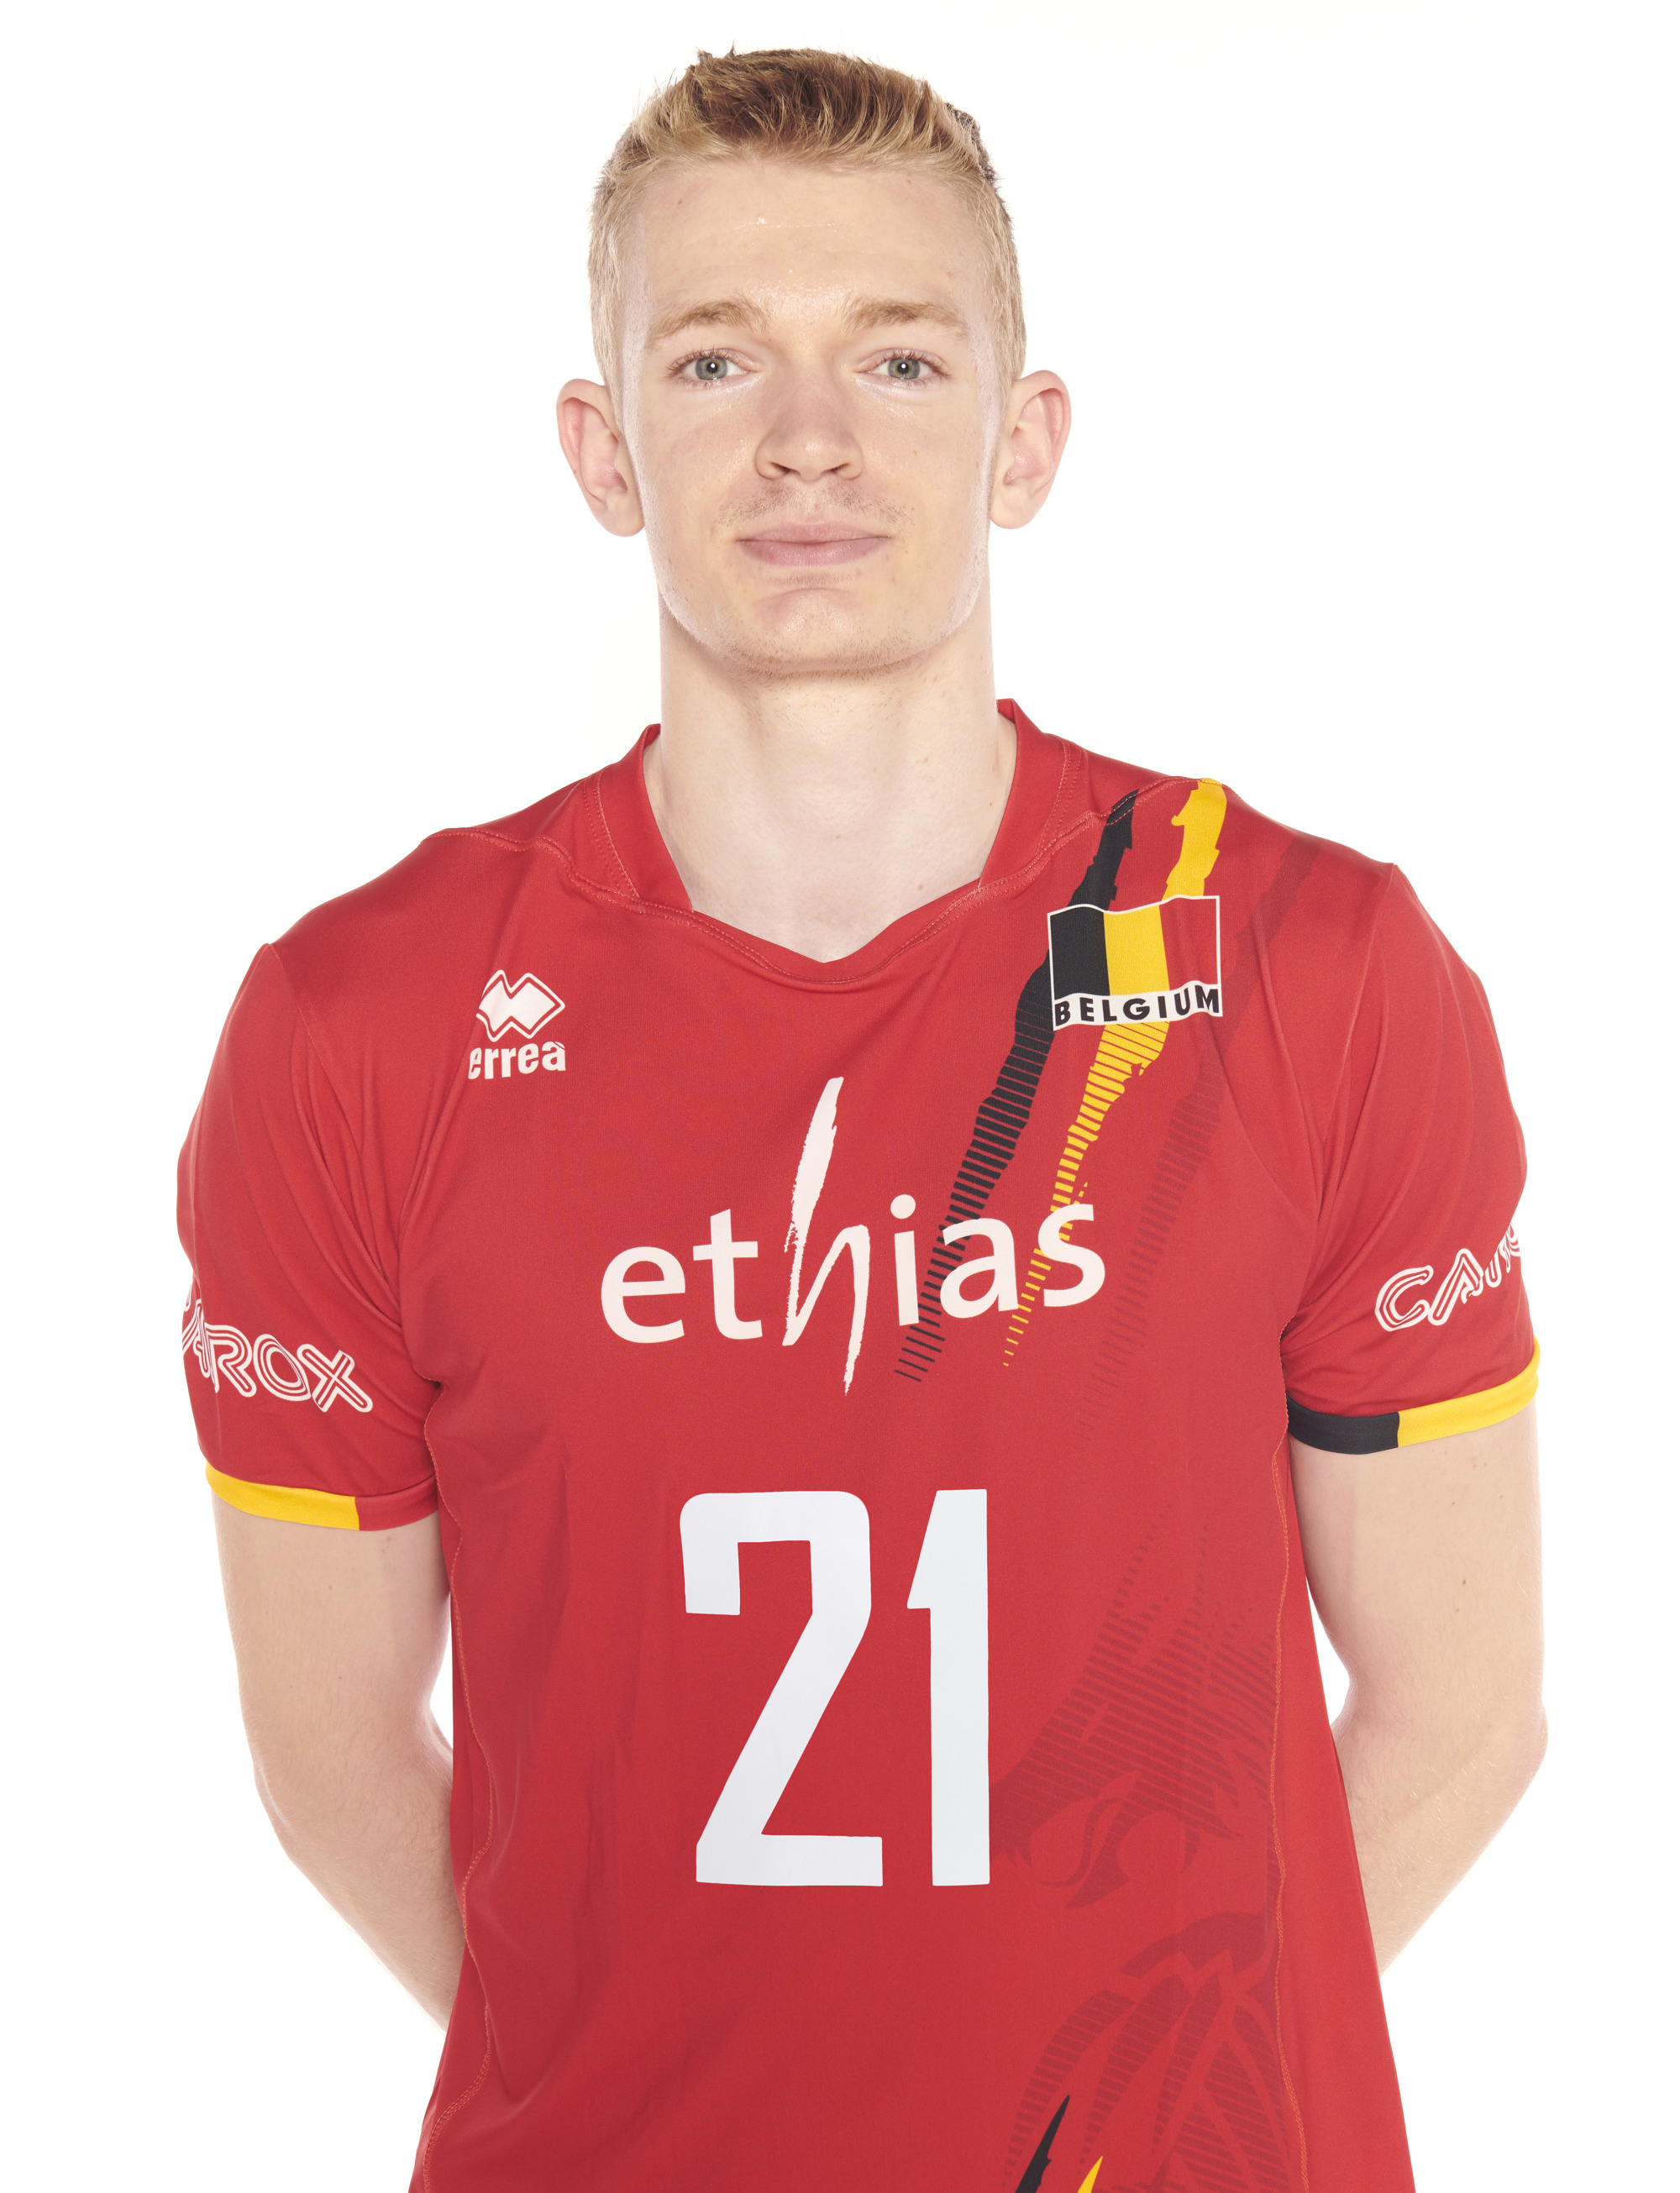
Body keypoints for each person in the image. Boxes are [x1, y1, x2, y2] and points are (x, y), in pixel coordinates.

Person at [179, 48, 1545, 2193]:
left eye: (898, 358)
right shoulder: (360, 1025)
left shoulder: (1310, 966)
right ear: (602, 449)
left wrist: (1123, 2103)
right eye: (715, 357)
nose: (807, 435)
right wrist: (661, 2085)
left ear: (1025, 439)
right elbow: (327, 1744)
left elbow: (1463, 1709)